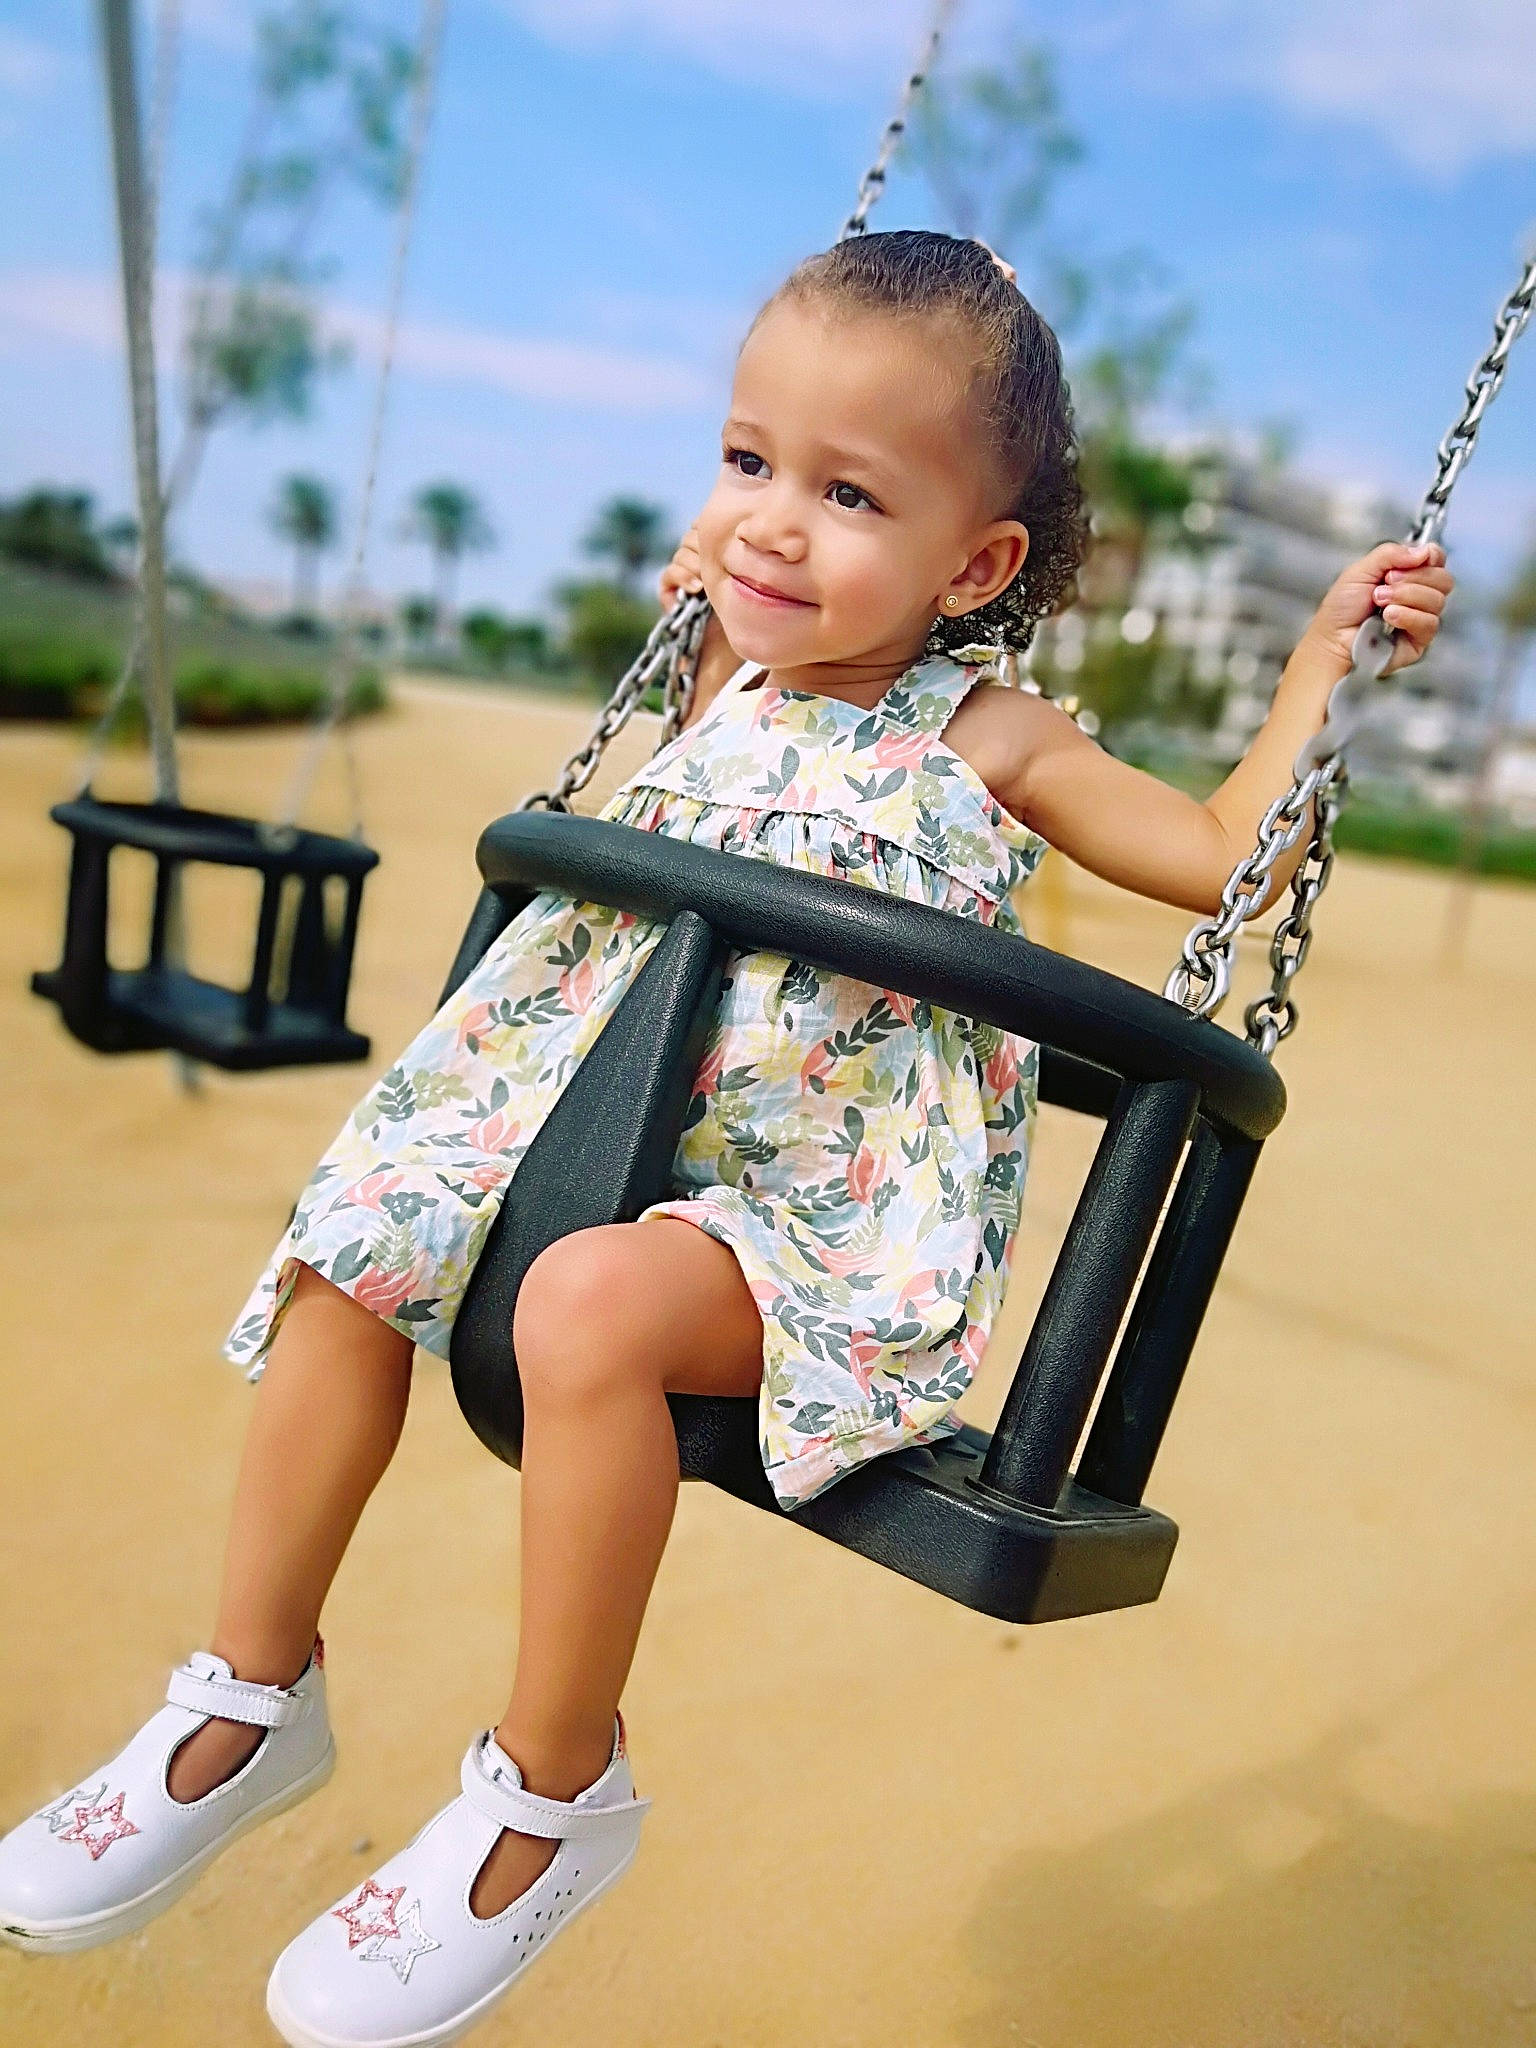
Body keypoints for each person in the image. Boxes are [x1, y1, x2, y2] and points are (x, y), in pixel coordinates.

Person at [0, 231, 1451, 2046]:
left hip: (802, 1224)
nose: (772, 520)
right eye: (749, 459)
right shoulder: (720, 691)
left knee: (592, 1311)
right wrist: (701, 621)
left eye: (849, 493)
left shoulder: (994, 741)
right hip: (578, 1128)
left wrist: (1324, 669)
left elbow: (1235, 852)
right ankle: (248, 1694)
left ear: (975, 563)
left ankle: (549, 1794)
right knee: (347, 1242)